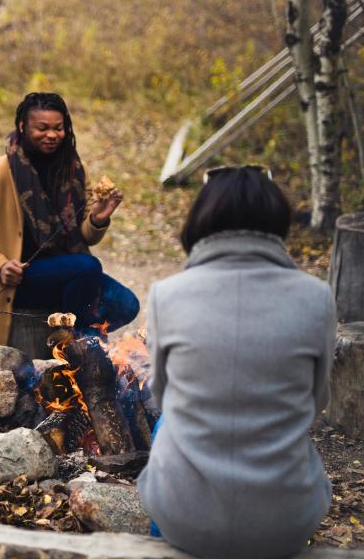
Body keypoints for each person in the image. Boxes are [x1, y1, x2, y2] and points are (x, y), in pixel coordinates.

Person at [137, 166, 334, 559]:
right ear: (279, 221)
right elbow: (316, 402)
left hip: (185, 519)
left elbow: (161, 392)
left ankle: (160, 541)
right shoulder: (316, 297)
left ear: (201, 221)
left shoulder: (167, 295)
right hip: (285, 522)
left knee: (164, 424)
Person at [0, 92, 139, 346]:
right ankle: (78, 344)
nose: (52, 135)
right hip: (24, 278)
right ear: (23, 126)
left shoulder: (72, 169)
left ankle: (73, 338)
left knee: (127, 303)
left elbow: (86, 235)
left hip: (68, 272)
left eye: (58, 128)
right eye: (42, 128)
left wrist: (98, 218)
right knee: (88, 266)